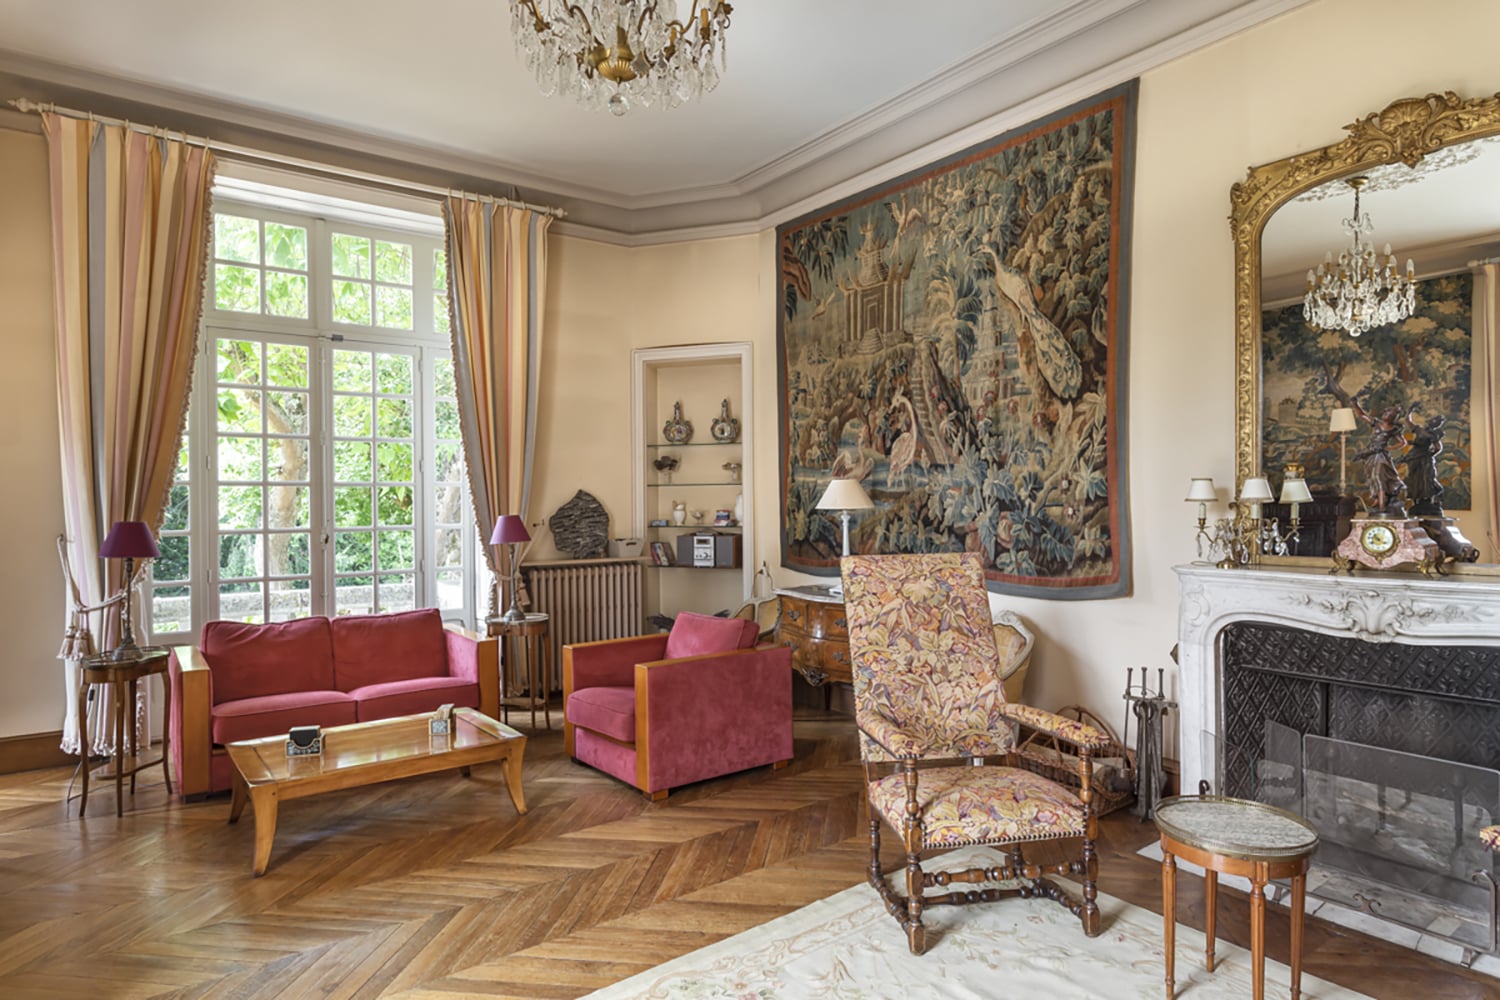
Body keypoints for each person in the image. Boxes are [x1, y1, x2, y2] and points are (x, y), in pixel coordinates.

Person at [1352, 403, 1411, 516]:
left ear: (1393, 417)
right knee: (1372, 478)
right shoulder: (1377, 423)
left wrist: (1389, 448)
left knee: (1379, 478)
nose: (1386, 414)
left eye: (1389, 413)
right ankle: (1377, 500)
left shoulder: (1394, 429)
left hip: (1381, 456)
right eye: (1385, 412)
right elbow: (1363, 415)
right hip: (1371, 455)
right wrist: (1355, 404)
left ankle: (1382, 505)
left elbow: (1403, 442)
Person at [1405, 411, 1446, 515]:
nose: (1434, 422)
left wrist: (1430, 455)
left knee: (1426, 479)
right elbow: (1408, 421)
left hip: (1424, 459)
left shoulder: (1432, 434)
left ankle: (1426, 501)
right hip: (1416, 458)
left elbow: (1438, 447)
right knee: (1416, 479)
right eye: (1435, 420)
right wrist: (1410, 411)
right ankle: (1417, 501)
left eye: (1437, 422)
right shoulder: (1420, 430)